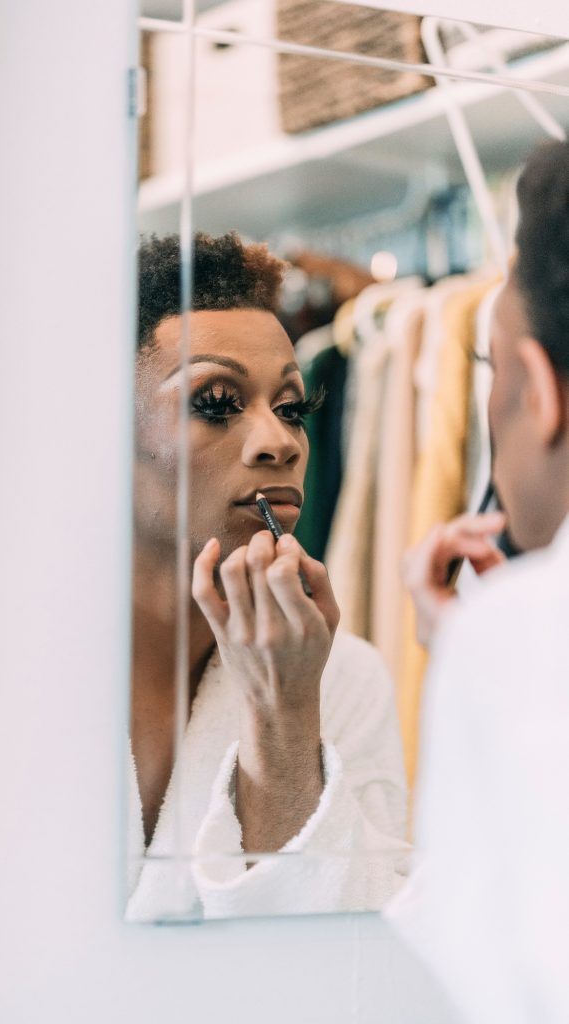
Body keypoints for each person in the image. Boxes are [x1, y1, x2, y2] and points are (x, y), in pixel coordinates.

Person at [127, 231, 409, 921]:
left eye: (291, 408)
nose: (280, 441)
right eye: (217, 401)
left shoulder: (346, 680)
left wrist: (283, 718)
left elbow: (357, 959)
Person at [387, 140, 569, 1023]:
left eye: (491, 372)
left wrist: (466, 654)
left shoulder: (518, 636)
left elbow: (483, 976)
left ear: (538, 390)